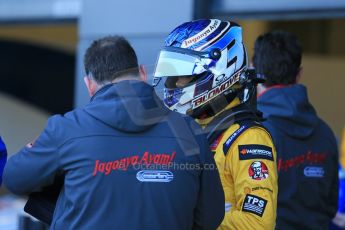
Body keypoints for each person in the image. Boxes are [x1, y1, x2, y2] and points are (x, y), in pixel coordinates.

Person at [3, 36, 225, 230]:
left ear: (89, 84)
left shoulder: (66, 129)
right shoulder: (189, 130)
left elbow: (14, 178)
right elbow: (210, 217)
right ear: (142, 73)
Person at [153, 19, 278, 229]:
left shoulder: (248, 138)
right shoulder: (193, 127)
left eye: (181, 75)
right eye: (171, 76)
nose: (172, 84)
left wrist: (190, 220)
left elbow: (258, 222)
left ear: (219, 72)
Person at [253, 31, 339, 230]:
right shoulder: (325, 133)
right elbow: (331, 207)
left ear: (254, 71)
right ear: (299, 74)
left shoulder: (250, 131)